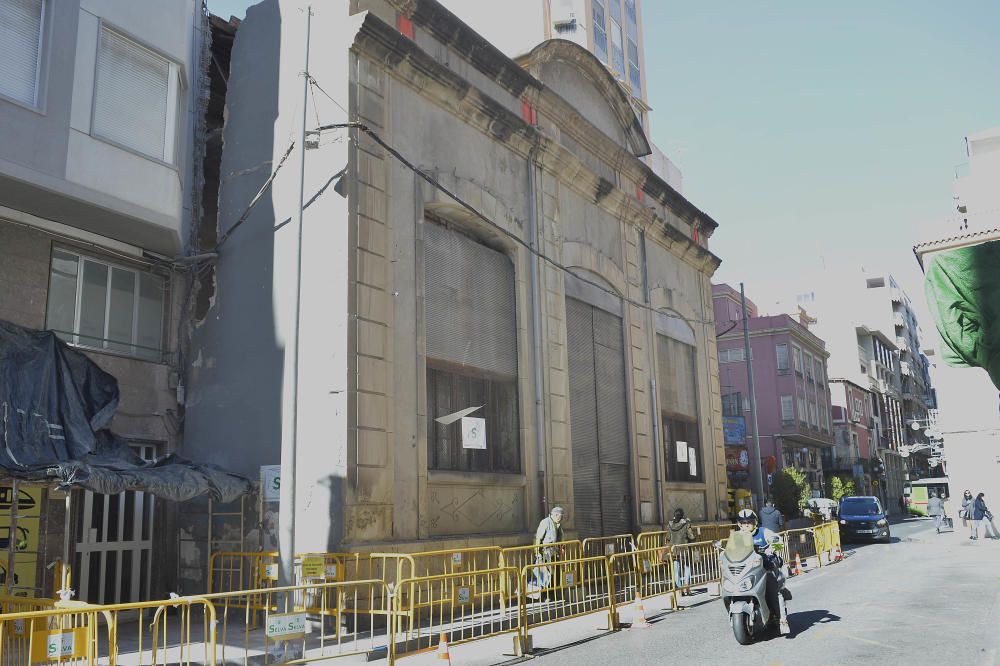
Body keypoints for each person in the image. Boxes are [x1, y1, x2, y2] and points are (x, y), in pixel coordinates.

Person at [737, 509, 789, 634]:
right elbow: (731, 550)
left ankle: (783, 620)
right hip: (747, 571)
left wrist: (771, 549)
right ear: (739, 524)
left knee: (773, 590)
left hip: (766, 568)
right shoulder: (737, 536)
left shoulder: (763, 532)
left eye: (749, 522)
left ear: (754, 522)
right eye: (743, 523)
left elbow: (779, 541)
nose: (746, 525)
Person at [528, 506, 565, 597]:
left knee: (555, 574)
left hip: (554, 553)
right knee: (546, 575)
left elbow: (561, 538)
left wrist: (562, 547)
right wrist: (537, 553)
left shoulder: (558, 524)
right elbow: (538, 538)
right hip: (545, 554)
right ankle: (546, 595)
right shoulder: (545, 522)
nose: (562, 518)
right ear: (556, 515)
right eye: (561, 516)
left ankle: (553, 594)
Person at [663, 508, 695, 594]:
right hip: (684, 549)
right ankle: (686, 586)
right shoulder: (686, 524)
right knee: (687, 566)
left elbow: (668, 538)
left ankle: (680, 588)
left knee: (676, 569)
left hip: (674, 549)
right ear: (682, 516)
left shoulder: (670, 525)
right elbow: (691, 537)